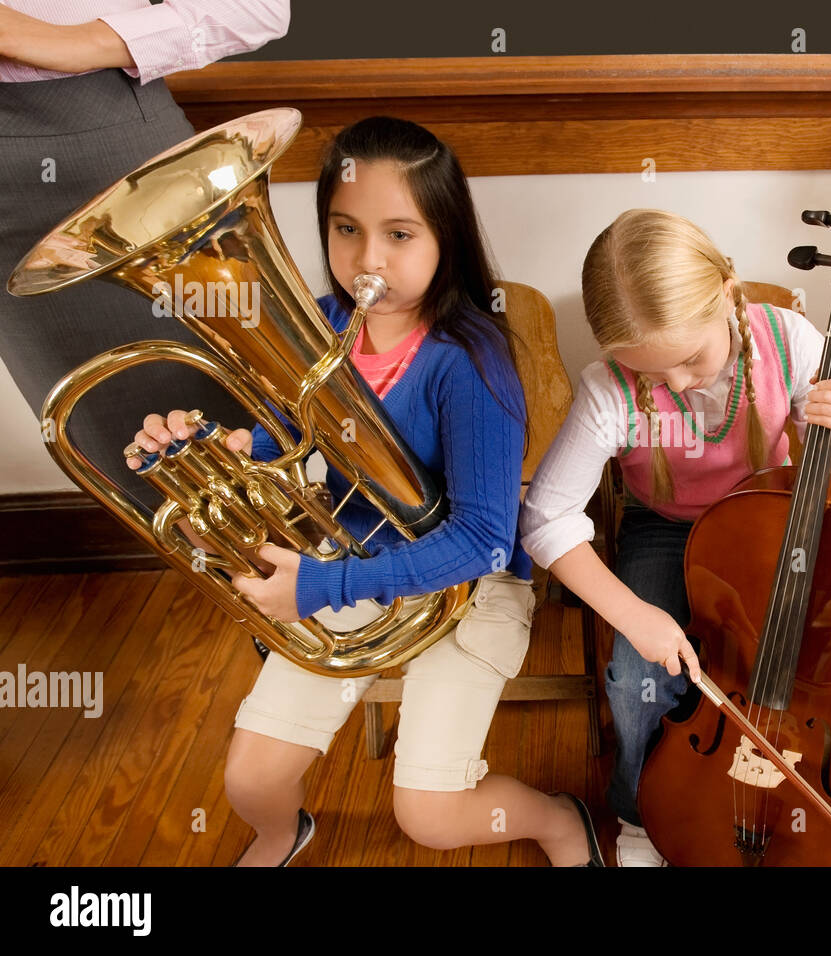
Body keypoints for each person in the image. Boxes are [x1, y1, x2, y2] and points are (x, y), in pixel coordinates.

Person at [126, 117, 602, 867]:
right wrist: (211, 450)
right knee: (249, 781)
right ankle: (286, 834)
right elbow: (292, 434)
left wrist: (323, 584)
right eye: (345, 229)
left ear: (446, 238)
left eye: (400, 234)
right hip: (355, 562)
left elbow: (484, 539)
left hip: (468, 587)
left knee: (434, 819)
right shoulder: (323, 327)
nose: (367, 260)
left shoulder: (470, 362)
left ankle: (552, 819)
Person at [520, 209, 831, 866]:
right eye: (652, 373)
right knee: (634, 678)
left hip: (773, 521)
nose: (676, 383)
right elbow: (546, 519)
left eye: (688, 360)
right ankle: (640, 811)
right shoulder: (608, 390)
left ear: (728, 292)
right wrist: (635, 615)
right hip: (670, 530)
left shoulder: (787, 339)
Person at [0, 2, 291, 516]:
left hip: (86, 129)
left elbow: (259, 7)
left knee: (213, 476)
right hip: (67, 132)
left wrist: (79, 42)